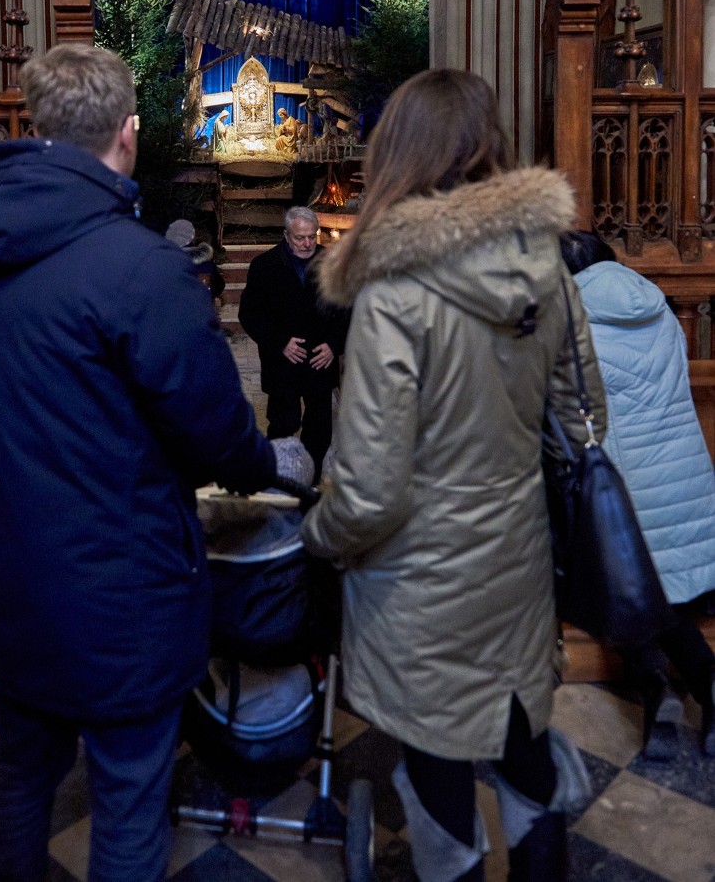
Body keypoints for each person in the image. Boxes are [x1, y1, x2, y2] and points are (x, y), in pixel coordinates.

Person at [0, 44, 311, 882]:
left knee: (20, 770)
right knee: (130, 797)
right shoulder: (142, 270)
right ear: (129, 132)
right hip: (122, 590)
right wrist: (271, 458)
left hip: (15, 579)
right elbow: (218, 436)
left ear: (38, 128)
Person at [301, 69, 604, 882]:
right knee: (522, 753)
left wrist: (316, 534)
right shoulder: (547, 264)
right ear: (486, 147)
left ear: (398, 153)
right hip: (517, 560)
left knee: (438, 773)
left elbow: (368, 490)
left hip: (419, 586)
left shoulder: (394, 289)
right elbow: (584, 422)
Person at [560, 230, 715, 760]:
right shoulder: (660, 309)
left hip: (626, 481)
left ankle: (658, 695)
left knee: (628, 593)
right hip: (684, 474)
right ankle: (706, 694)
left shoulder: (573, 323)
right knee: (660, 597)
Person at [238, 205, 349, 480]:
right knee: (283, 424)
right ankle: (281, 482)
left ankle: (309, 483)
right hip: (283, 363)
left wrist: (334, 345)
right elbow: (250, 314)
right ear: (286, 235)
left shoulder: (331, 265)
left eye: (312, 236)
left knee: (320, 429)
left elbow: (347, 309)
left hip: (319, 361)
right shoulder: (264, 266)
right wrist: (280, 343)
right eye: (300, 237)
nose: (307, 243)